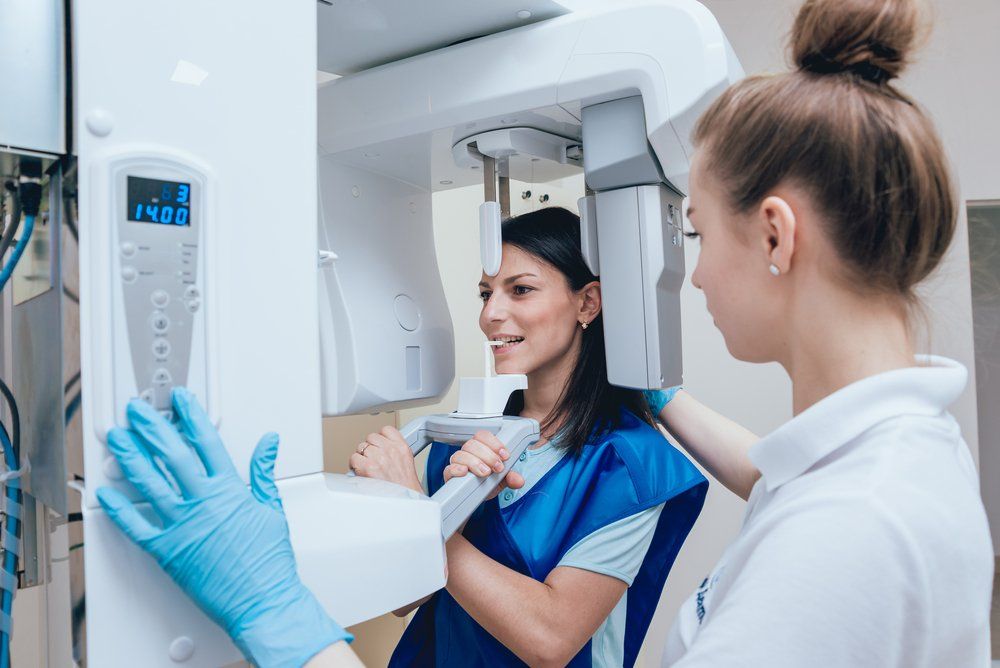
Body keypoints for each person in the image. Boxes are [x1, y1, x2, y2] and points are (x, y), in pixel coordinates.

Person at [97, 0, 994, 665]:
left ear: (774, 235)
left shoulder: (847, 530)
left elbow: (552, 634)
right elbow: (772, 471)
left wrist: (281, 609)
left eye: (694, 236)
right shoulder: (887, 466)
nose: (691, 275)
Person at [349, 207, 707, 667]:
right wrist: (400, 505)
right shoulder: (461, 437)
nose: (490, 315)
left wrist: (419, 514)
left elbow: (550, 639)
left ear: (587, 303)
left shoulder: (630, 465)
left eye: (520, 290)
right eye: (485, 294)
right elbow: (403, 599)